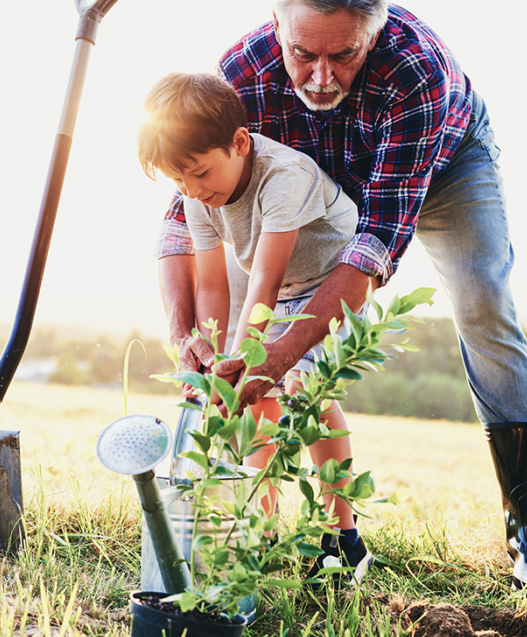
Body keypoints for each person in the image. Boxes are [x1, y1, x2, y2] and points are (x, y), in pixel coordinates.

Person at [155, 0, 527, 591]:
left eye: (343, 54)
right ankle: (259, 527)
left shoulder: (415, 71)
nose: (321, 77)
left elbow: (374, 243)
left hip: (441, 165)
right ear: (278, 27)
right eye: (303, 54)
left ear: (372, 35)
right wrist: (185, 335)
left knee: (482, 297)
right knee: (248, 361)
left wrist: (280, 357)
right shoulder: (241, 74)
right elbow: (186, 212)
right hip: (310, 188)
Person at [140, 71, 374, 585]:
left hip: (327, 279)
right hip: (275, 285)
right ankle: (261, 530)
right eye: (180, 182)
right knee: (254, 399)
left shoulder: (282, 177)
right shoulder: (199, 196)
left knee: (301, 388)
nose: (193, 191)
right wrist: (211, 358)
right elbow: (216, 288)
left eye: (200, 173)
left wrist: (247, 359)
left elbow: (264, 282)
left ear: (239, 143)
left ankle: (344, 537)